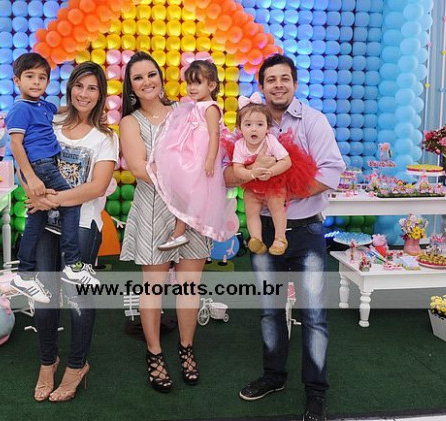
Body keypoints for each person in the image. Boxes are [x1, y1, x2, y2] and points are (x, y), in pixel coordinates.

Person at [224, 54, 345, 421]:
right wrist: (251, 177)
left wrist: (282, 192)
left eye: (284, 79)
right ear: (261, 86)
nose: (278, 85)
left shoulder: (314, 121)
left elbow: (331, 171)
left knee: (314, 315)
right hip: (263, 234)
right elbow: (227, 175)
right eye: (271, 79)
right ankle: (274, 376)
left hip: (306, 231)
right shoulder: (247, 122)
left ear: (294, 83)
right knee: (269, 310)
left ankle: (316, 392)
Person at [20, 61, 118, 402]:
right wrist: (32, 190)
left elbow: (97, 187)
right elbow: (25, 164)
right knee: (44, 295)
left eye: (92, 88)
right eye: (79, 85)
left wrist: (52, 199)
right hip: (44, 223)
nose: (84, 94)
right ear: (69, 87)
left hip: (82, 226)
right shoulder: (51, 121)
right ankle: (48, 362)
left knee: (78, 296)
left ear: (100, 94)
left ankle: (77, 365)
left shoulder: (105, 138)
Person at [119, 51, 210, 392]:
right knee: (153, 285)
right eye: (138, 77)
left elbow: (204, 151)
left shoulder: (186, 111)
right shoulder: (130, 123)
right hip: (154, 208)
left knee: (189, 284)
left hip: (192, 208)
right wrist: (180, 178)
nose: (146, 82)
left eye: (151, 74)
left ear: (161, 77)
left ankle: (186, 347)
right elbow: (139, 168)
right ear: (130, 86)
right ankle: (155, 352)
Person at [6, 52, 92, 304]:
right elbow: (16, 145)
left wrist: (86, 109)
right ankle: (73, 263)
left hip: (48, 164)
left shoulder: (43, 105)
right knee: (71, 203)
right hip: (40, 166)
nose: (36, 82)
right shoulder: (20, 109)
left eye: (42, 78)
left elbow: (64, 109)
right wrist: (31, 177)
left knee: (37, 217)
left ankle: (24, 274)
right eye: (29, 76)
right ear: (17, 81)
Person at [147, 59, 238, 249]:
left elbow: (214, 134)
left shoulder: (211, 108)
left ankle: (181, 232)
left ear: (211, 85)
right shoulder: (194, 106)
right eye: (189, 83)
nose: (191, 88)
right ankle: (179, 231)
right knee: (183, 190)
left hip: (202, 155)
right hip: (191, 152)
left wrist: (210, 160)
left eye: (197, 83)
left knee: (192, 190)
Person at [232, 95, 317, 255]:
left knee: (277, 207)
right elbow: (237, 169)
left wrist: (271, 172)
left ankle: (280, 238)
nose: (254, 129)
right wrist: (251, 173)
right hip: (253, 184)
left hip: (273, 183)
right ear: (239, 128)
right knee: (251, 210)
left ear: (268, 127)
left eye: (260, 124)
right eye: (248, 124)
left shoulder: (270, 141)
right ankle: (256, 239)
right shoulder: (239, 145)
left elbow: (286, 161)